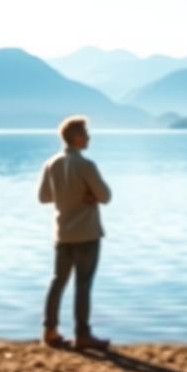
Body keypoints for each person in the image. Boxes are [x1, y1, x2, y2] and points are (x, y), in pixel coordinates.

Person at [38, 115, 112, 350]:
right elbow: (106, 196)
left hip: (62, 234)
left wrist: (65, 196)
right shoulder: (86, 165)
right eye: (86, 133)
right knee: (83, 284)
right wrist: (88, 196)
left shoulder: (52, 163)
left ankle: (49, 331)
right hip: (87, 234)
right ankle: (82, 335)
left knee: (58, 282)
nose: (89, 137)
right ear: (77, 137)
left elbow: (43, 198)